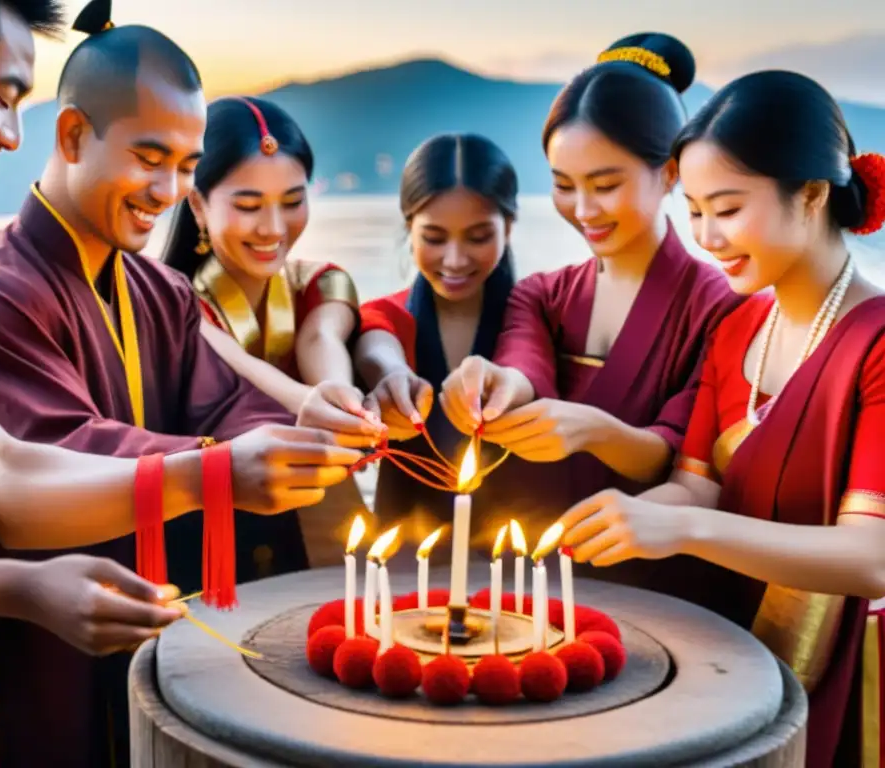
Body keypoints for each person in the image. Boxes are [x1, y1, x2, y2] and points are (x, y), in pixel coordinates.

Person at [0, 2, 360, 767]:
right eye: (2, 96)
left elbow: (5, 466)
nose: (11, 134)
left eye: (186, 169)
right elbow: (36, 466)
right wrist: (14, 588)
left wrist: (290, 435)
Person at [555, 70, 885, 767]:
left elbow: (872, 556)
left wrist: (680, 526)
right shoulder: (737, 326)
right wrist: (631, 515)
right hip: (728, 644)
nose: (706, 235)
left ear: (813, 195)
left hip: (840, 657)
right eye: (696, 209)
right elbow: (696, 483)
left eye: (728, 209)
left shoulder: (875, 343)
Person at [438, 34, 740, 536]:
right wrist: (494, 385)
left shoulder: (719, 305)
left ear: (669, 174)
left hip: (651, 574)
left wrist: (597, 432)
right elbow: (525, 368)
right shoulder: (540, 294)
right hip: (523, 559)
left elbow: (686, 460)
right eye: (563, 185)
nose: (582, 210)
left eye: (604, 186)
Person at [160, 95, 377, 564]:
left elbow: (321, 339)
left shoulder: (320, 284)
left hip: (322, 535)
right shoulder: (173, 307)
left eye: (293, 202)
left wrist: (339, 395)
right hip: (210, 545)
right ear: (197, 204)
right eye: (249, 205)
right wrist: (308, 403)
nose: (273, 228)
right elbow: (234, 363)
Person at [354, 133, 517, 545]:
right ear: (409, 228)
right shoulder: (384, 316)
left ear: (509, 227)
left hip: (516, 566)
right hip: (403, 565)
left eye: (479, 237)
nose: (456, 259)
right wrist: (390, 376)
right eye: (434, 238)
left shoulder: (537, 321)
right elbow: (377, 344)